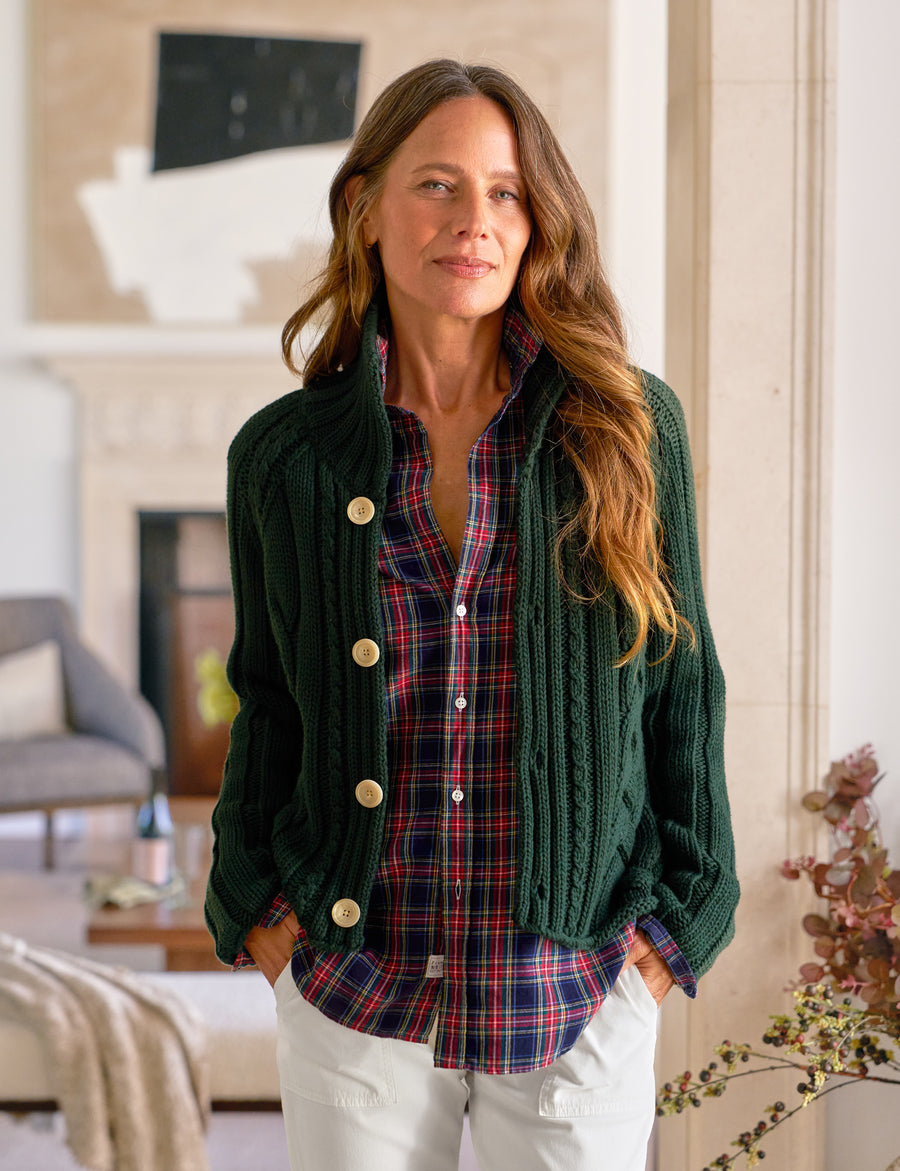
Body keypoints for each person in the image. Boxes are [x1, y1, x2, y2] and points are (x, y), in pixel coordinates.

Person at [205, 58, 739, 1171]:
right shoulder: (283, 459)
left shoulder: (630, 428)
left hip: (576, 983)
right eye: (437, 185)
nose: (475, 221)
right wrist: (255, 898)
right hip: (354, 983)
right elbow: (266, 697)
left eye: (505, 191)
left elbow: (682, 683)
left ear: (539, 217)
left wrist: (681, 915)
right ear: (364, 209)